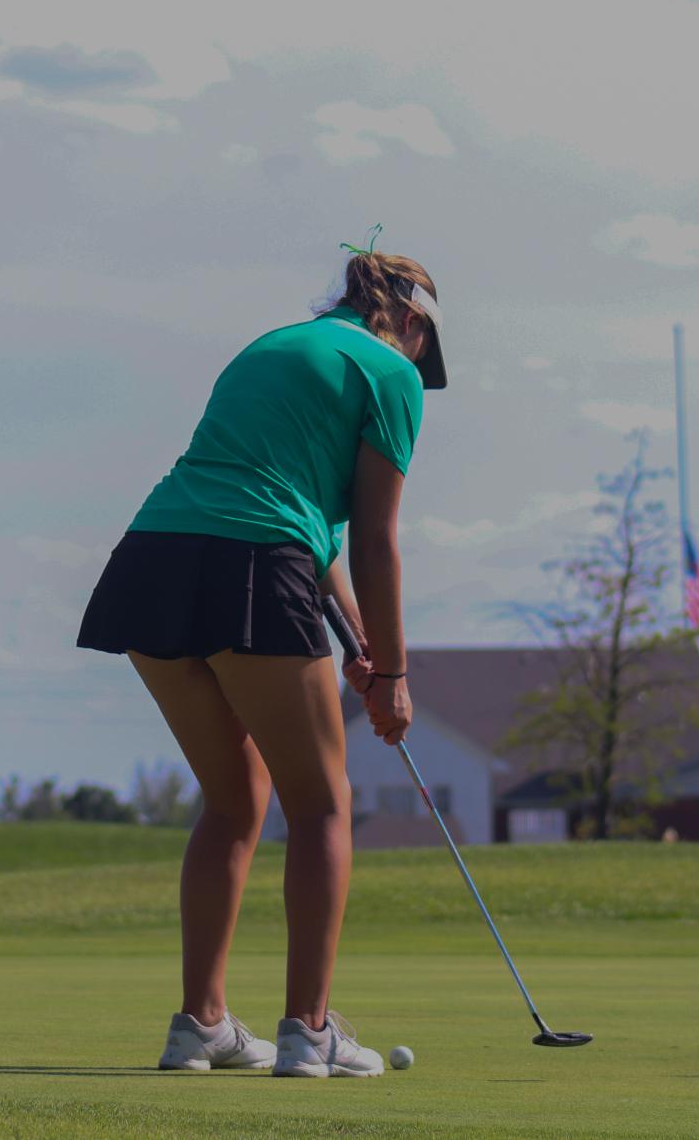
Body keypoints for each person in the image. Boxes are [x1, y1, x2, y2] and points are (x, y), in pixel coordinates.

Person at [77, 234, 446, 1079]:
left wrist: (357, 642)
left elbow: (284, 509)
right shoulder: (388, 375)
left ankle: (199, 1025)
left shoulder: (270, 346)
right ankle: (307, 1034)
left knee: (235, 798)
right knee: (319, 805)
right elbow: (376, 541)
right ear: (405, 321)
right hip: (253, 567)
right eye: (425, 348)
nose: (422, 366)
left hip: (153, 561)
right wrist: (390, 675)